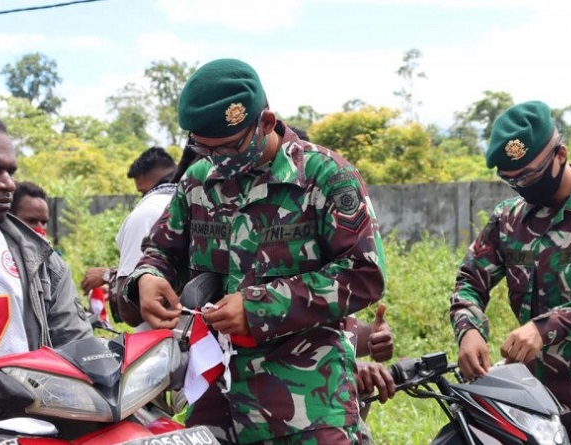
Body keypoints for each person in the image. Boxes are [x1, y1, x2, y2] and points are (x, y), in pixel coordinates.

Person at [123, 58, 385, 445]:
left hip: (306, 399)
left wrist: (258, 307)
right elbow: (162, 250)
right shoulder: (198, 183)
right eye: (204, 148)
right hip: (216, 390)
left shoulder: (325, 176)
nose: (218, 160)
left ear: (265, 122)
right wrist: (149, 277)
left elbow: (363, 275)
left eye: (229, 147)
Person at [449, 101, 571, 445]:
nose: (521, 186)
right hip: (530, 404)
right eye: (510, 180)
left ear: (560, 155)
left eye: (529, 176)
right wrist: (468, 330)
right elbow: (469, 281)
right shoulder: (507, 219)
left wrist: (544, 329)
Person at [0, 96, 92, 434]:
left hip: (30, 431)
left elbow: (75, 344)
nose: (7, 182)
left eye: (10, 171)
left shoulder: (40, 260)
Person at [80, 147, 176, 324]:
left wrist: (112, 278)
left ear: (145, 185)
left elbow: (131, 310)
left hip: (167, 343)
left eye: (141, 192)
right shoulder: (203, 204)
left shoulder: (148, 212)